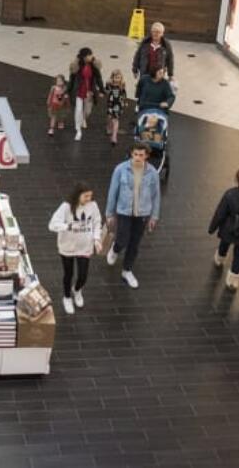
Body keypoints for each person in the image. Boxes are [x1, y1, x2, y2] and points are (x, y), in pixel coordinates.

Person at [105, 144, 162, 289]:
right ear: (131, 154)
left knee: (135, 243)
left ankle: (127, 270)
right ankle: (116, 249)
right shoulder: (120, 169)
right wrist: (109, 213)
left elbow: (156, 196)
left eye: (141, 155)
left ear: (146, 156)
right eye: (135, 154)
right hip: (124, 211)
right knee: (122, 238)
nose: (137, 157)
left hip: (142, 213)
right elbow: (113, 191)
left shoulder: (153, 173)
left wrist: (154, 216)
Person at [48, 184, 104, 315]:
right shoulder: (66, 207)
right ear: (78, 195)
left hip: (85, 247)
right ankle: (67, 297)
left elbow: (97, 222)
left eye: (90, 196)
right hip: (67, 247)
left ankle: (77, 290)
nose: (88, 198)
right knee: (68, 274)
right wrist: (68, 226)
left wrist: (97, 239)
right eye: (85, 196)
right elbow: (52, 225)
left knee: (83, 276)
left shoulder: (93, 205)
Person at [67, 47, 103, 142]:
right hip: (79, 91)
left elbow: (98, 78)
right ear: (84, 56)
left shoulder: (93, 65)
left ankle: (83, 118)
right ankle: (78, 130)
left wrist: (101, 90)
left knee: (87, 111)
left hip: (89, 91)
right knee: (78, 110)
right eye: (89, 55)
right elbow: (72, 79)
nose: (91, 56)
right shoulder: (77, 65)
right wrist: (68, 91)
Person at [104, 69, 127, 146]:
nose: (117, 79)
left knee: (115, 120)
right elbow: (106, 91)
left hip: (118, 105)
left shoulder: (122, 86)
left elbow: (124, 94)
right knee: (109, 117)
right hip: (110, 104)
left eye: (119, 77)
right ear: (112, 78)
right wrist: (108, 83)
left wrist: (124, 102)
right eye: (116, 77)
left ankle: (114, 136)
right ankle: (109, 127)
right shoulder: (110, 85)